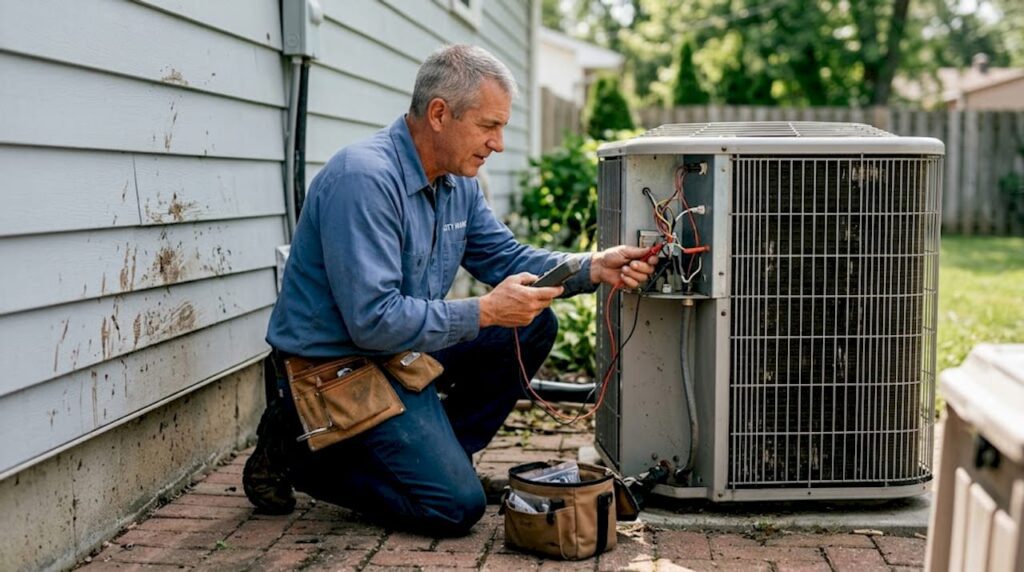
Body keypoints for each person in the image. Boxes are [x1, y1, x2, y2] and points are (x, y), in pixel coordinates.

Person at [244, 44, 657, 536]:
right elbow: (374, 321)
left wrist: (593, 266)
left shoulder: (457, 182)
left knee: (532, 324)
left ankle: (440, 462)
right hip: (335, 368)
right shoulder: (365, 180)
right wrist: (484, 310)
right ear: (439, 113)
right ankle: (295, 453)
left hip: (397, 352)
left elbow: (506, 258)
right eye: (489, 126)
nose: (499, 143)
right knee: (454, 509)